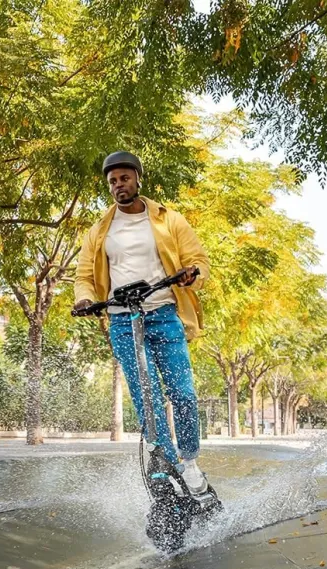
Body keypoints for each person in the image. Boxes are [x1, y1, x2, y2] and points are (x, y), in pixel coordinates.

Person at [73, 151, 210, 494]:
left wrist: (191, 274)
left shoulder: (169, 220)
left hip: (164, 314)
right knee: (146, 395)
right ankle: (165, 458)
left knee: (183, 394)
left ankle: (189, 460)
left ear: (138, 179)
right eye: (112, 182)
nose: (119, 185)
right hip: (123, 320)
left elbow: (197, 259)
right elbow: (85, 275)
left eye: (124, 178)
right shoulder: (100, 231)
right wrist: (85, 299)